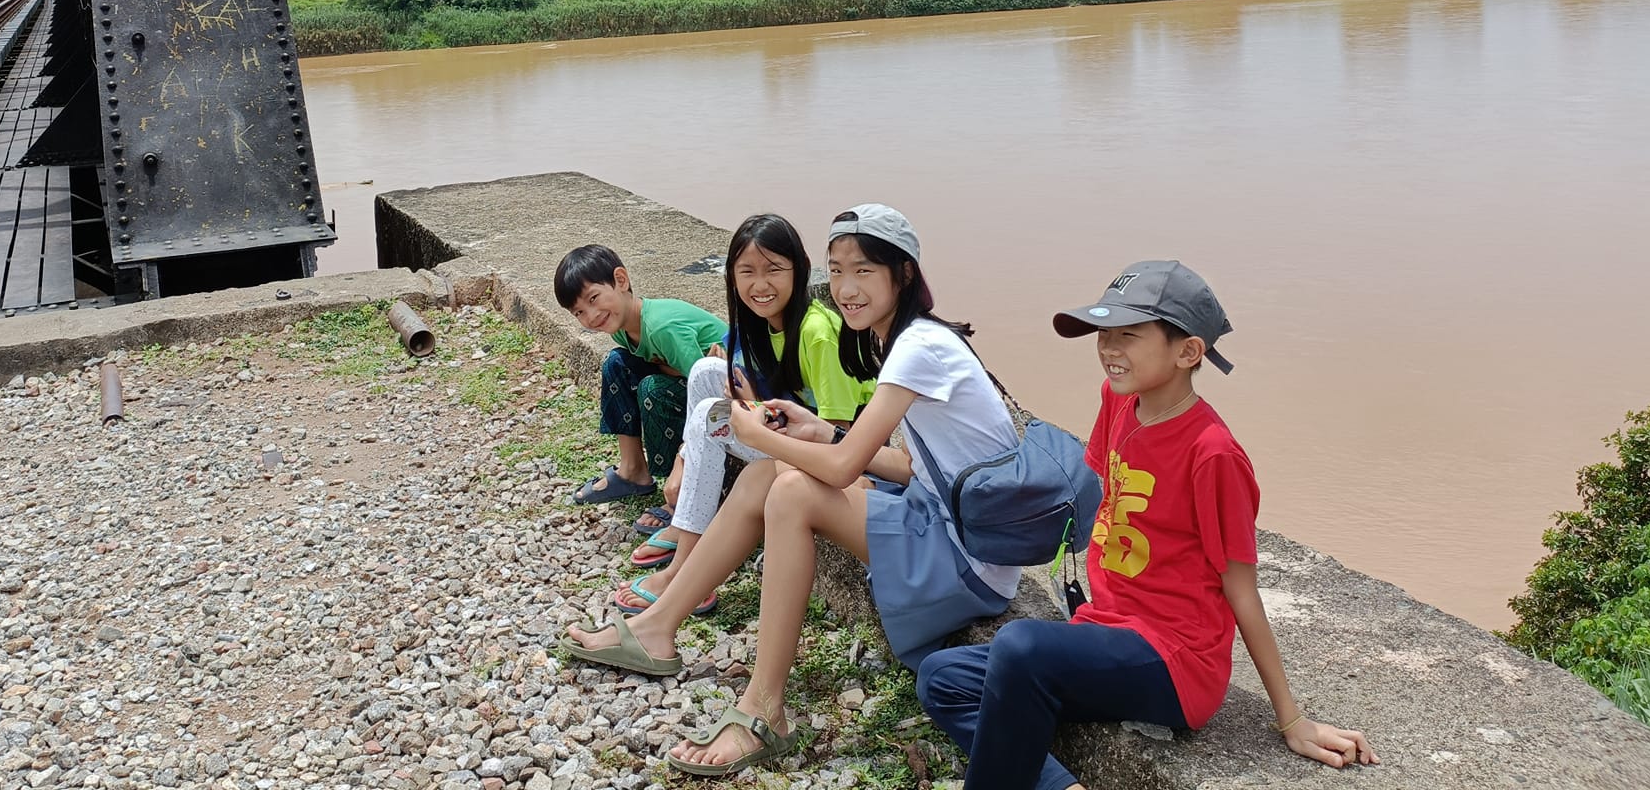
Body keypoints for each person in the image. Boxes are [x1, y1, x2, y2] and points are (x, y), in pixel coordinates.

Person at [563, 205, 1020, 779]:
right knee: (762, 476)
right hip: (946, 521)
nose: (847, 290)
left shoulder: (915, 348)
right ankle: (658, 630)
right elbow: (915, 466)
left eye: (865, 272)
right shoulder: (906, 339)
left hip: (968, 558)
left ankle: (764, 706)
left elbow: (843, 468)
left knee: (792, 491)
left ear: (903, 275)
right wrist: (820, 429)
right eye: (838, 271)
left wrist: (759, 435)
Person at [915, 260, 1379, 790]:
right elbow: (1103, 501)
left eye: (1129, 336)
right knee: (943, 677)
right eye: (1104, 334)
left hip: (1175, 659)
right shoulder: (1118, 400)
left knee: (1021, 648)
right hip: (1108, 629)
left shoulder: (1213, 454)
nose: (1109, 348)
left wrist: (1292, 719)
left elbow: (1241, 589)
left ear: (1188, 352)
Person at [615, 213, 874, 617]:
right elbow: (736, 379)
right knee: (704, 372)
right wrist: (695, 447)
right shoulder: (753, 325)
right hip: (786, 430)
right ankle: (683, 519)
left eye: (773, 270)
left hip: (829, 457)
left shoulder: (817, 333)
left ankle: (685, 570)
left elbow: (839, 435)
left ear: (800, 270)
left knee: (707, 414)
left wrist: (750, 409)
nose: (760, 285)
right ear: (732, 277)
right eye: (747, 271)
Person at [558, 243, 728, 504]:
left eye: (594, 299)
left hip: (731, 394)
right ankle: (632, 470)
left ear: (621, 280)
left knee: (654, 390)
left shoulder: (662, 327)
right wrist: (665, 368)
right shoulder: (619, 326)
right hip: (693, 377)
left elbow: (706, 385)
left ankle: (683, 491)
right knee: (616, 363)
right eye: (579, 312)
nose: (591, 317)